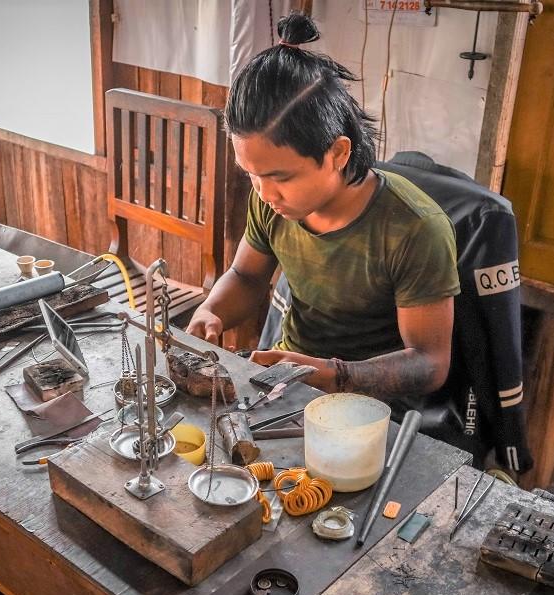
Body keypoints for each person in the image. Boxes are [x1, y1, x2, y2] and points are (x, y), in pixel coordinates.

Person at [186, 13, 460, 404]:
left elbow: (431, 363)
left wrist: (336, 375)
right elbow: (246, 277)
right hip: (286, 383)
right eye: (251, 175)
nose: (264, 193)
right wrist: (212, 311)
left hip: (372, 404)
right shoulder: (271, 199)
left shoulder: (414, 229)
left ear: (338, 152)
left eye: (280, 177)